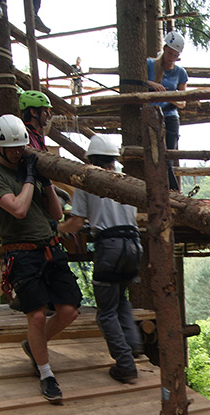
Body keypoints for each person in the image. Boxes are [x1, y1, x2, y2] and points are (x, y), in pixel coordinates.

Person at [0, 114, 81, 404]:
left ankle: (33, 346)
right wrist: (27, 179)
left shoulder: (32, 173)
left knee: (69, 310)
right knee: (36, 315)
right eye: (11, 148)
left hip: (50, 247)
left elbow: (56, 214)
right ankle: (46, 373)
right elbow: (19, 209)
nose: (16, 152)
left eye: (20, 147)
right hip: (21, 253)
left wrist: (45, 181)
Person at [59, 135, 142, 385]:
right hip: (134, 246)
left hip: (111, 249)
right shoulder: (128, 182)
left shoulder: (87, 183)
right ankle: (135, 346)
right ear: (113, 160)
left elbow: (76, 222)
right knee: (121, 300)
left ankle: (126, 366)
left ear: (91, 159)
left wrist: (56, 228)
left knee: (105, 313)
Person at [146, 31, 188, 191]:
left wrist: (169, 96)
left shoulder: (180, 73)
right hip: (151, 115)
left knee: (167, 157)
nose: (171, 57)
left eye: (175, 54)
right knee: (153, 156)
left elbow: (182, 102)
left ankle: (173, 192)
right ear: (164, 49)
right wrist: (152, 84)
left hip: (170, 117)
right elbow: (136, 81)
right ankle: (167, 191)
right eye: (169, 53)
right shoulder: (149, 64)